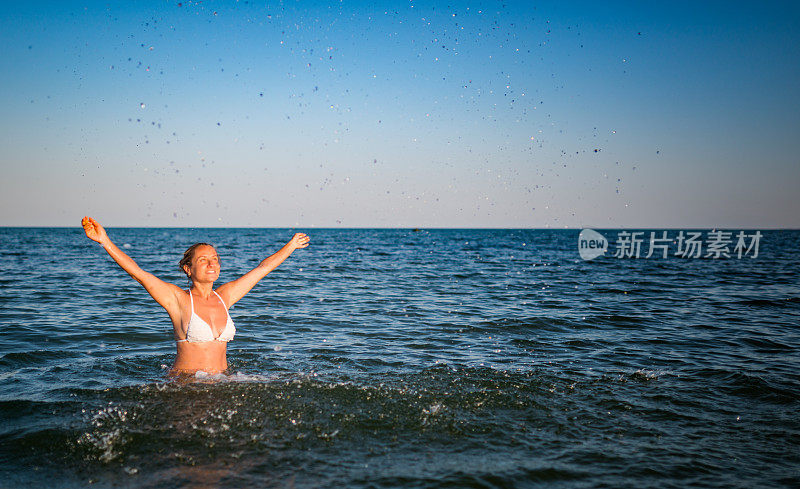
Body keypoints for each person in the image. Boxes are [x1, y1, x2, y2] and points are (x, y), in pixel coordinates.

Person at [81, 216, 310, 375]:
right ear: (188, 269)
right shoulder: (178, 299)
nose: (212, 263)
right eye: (203, 260)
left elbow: (261, 269)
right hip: (186, 384)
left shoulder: (225, 296)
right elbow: (139, 273)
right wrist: (105, 241)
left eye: (215, 259)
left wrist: (290, 247)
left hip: (222, 381)